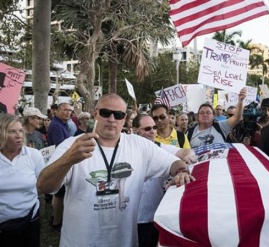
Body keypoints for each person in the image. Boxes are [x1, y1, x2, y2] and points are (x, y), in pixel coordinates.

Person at [37, 93, 195, 247]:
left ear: (124, 119)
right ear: (95, 114)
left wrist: (181, 171)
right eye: (106, 113)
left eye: (118, 115)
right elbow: (43, 186)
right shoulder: (72, 145)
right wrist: (68, 159)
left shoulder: (139, 145)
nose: (112, 119)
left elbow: (173, 162)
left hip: (125, 241)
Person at [132, 114, 196, 247]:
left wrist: (184, 164)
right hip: (127, 220)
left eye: (154, 128)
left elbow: (185, 152)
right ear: (134, 130)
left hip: (153, 219)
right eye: (147, 128)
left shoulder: (160, 148)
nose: (152, 131)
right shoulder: (125, 149)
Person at [0, 114, 45, 247]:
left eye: (20, 130)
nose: (19, 135)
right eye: (12, 131)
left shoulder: (33, 155)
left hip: (30, 220)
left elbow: (42, 184)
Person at [47, 102, 73, 230]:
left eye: (69, 110)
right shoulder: (57, 125)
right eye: (65, 110)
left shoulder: (62, 123)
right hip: (60, 160)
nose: (68, 112)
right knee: (59, 194)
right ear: (57, 111)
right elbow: (61, 146)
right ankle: (56, 222)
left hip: (60, 159)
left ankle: (54, 217)